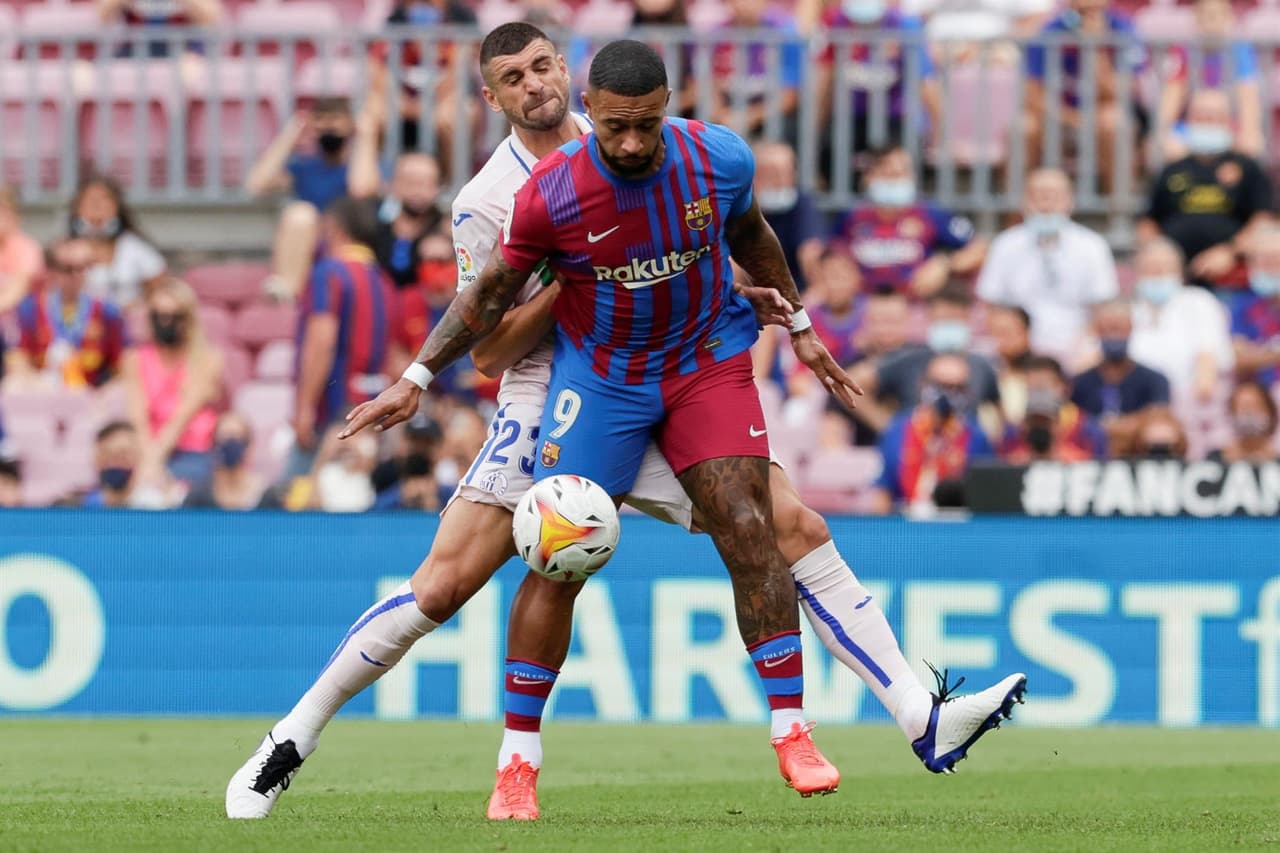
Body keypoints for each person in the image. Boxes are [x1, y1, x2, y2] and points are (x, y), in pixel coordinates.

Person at [226, 26, 1024, 824]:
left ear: (572, 75)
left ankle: (920, 713)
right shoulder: (493, 201)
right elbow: (492, 347)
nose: (533, 83)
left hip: (676, 369)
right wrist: (571, 285)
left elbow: (696, 244)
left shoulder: (640, 133)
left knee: (791, 526)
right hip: (554, 388)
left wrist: (740, 299)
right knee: (448, 582)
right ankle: (293, 737)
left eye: (542, 65)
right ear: (491, 97)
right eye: (513, 76)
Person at [287, 197, 397, 478]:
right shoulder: (384, 280)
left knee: (299, 498)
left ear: (334, 228)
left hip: (335, 410)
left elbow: (321, 343)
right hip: (373, 404)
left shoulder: (329, 273)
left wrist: (304, 409)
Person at [976, 168, 1118, 365]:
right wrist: (1016, 343)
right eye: (1038, 196)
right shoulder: (1005, 245)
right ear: (1024, 202)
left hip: (1076, 344)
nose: (1046, 204)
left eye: (1054, 196)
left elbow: (1102, 308)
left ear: (1070, 202)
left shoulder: (1093, 246)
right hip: (1018, 345)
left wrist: (1080, 347)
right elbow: (993, 304)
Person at [1138, 89, 1273, 290]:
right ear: (1189, 120)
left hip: (1232, 277)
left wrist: (1229, 252)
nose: (1208, 122)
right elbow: (1147, 224)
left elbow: (1264, 221)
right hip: (1176, 280)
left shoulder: (1247, 167)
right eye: (1202, 116)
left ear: (1229, 122)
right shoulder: (1172, 169)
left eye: (1215, 117)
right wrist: (1165, 259)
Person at [1023, 0, 1146, 193]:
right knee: (1023, 128)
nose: (1091, 14)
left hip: (1100, 115)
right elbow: (1032, 95)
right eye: (1086, 10)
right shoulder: (1050, 30)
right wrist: (1070, 118)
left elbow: (1121, 92)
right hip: (1058, 117)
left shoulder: (1123, 29)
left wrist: (1095, 48)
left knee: (1114, 122)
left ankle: (1121, 214)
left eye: (1096, 9)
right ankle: (1016, 217)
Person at [246, 97, 361, 301]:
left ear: (350, 124)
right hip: (312, 242)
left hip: (349, 242)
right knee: (300, 214)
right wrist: (290, 134)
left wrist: (364, 136)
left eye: (335, 119)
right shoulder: (305, 167)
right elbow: (257, 184)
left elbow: (361, 189)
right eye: (321, 120)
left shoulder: (361, 166)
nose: (328, 126)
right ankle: (286, 294)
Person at [832, 146, 985, 299]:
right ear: (869, 178)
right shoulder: (853, 216)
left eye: (904, 173)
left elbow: (979, 249)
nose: (898, 181)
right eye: (890, 175)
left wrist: (945, 264)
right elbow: (829, 253)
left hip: (915, 308)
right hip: (863, 307)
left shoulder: (930, 213)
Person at [120, 278, 222, 488]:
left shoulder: (207, 359)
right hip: (145, 446)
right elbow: (138, 414)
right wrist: (148, 459)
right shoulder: (134, 359)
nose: (165, 323)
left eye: (173, 316)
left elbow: (182, 417)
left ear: (187, 319)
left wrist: (153, 462)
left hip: (192, 451)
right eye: (159, 316)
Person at [869, 352, 994, 514]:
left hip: (956, 526)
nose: (949, 394)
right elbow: (882, 493)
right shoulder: (896, 431)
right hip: (904, 526)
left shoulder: (977, 437)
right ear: (923, 385)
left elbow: (985, 496)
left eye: (959, 387)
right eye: (941, 385)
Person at [9, 238, 127, 390]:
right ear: (51, 270)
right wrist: (38, 384)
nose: (76, 275)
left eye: (83, 267)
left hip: (93, 392)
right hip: (43, 391)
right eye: (68, 268)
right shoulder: (30, 308)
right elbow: (18, 359)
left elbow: (123, 365)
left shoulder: (107, 311)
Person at [1128, 238, 1234, 405]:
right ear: (1136, 273)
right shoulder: (1127, 308)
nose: (1157, 273)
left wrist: (1200, 393)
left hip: (1191, 399)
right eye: (1150, 268)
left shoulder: (1199, 301)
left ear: (1180, 272)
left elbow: (1208, 352)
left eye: (1165, 268)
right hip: (1137, 401)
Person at [1156, 0, 1264, 161]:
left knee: (1251, 144)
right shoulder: (1182, 51)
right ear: (1196, 18)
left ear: (1229, 18)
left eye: (1219, 15)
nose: (1212, 22)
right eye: (1207, 15)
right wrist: (1163, 133)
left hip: (1229, 126)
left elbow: (1249, 103)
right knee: (1171, 145)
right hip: (1191, 126)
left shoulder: (1241, 52)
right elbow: (1170, 102)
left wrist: (1247, 133)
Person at [1071, 300, 1172, 457]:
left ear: (1130, 329)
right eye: (1107, 329)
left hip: (1139, 455)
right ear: (1096, 331)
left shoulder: (1154, 379)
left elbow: (1159, 416)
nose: (1113, 335)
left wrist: (1117, 427)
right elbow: (1072, 421)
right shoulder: (1079, 382)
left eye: (1119, 328)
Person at [350, 151, 446, 290]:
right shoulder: (373, 225)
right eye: (411, 182)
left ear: (437, 188)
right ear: (393, 184)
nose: (418, 191)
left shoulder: (447, 230)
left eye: (427, 183)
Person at [69, 175, 166, 308]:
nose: (97, 206)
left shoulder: (134, 248)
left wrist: (136, 307)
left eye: (104, 200)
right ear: (77, 208)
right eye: (90, 200)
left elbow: (160, 289)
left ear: (117, 207)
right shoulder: (66, 251)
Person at [999, 356, 1107, 463]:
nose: (1039, 392)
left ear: (1065, 387)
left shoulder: (1088, 428)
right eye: (1033, 386)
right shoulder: (1014, 430)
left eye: (1045, 386)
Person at [753, 142, 825, 293]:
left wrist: (815, 294)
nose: (781, 180)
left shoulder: (801, 202)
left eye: (787, 172)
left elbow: (811, 252)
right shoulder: (738, 203)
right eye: (771, 173)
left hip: (794, 292)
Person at [182, 412, 268, 510]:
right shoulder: (199, 495)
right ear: (214, 445)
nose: (231, 444)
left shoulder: (264, 494)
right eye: (225, 437)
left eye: (238, 437)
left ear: (248, 446)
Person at [1230, 224, 1280, 387]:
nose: (1271, 267)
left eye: (1275, 260)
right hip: (1261, 395)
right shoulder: (1241, 305)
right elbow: (1239, 359)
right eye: (1264, 260)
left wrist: (1261, 354)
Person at [1208, 380, 1279, 464]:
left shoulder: (1277, 462)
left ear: (1270, 413)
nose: (1249, 413)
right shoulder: (1214, 460)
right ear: (1231, 414)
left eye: (1255, 406)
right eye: (1242, 407)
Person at [0, 185, 45, 315]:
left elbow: (16, 293)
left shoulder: (28, 247)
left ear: (16, 216)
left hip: (24, 323)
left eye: (5, 211)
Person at [81, 420, 143, 508]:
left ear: (138, 457)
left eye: (122, 455)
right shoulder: (77, 508)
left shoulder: (156, 509)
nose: (115, 463)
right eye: (108, 455)